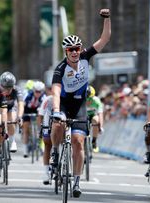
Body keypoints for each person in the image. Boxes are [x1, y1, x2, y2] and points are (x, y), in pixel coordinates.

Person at [50, 8, 111, 198]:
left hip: (80, 106)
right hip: (65, 105)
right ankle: (54, 150)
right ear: (65, 51)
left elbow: (104, 39)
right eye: (71, 50)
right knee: (57, 125)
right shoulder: (60, 68)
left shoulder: (85, 57)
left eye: (77, 49)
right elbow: (56, 91)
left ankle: (76, 181)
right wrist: (57, 110)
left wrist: (107, 19)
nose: (75, 52)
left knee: (78, 142)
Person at [0, 71, 24, 152]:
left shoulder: (17, 90)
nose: (7, 90)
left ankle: (12, 140)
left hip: (11, 107)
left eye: (9, 88)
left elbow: (20, 104)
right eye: (4, 88)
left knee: (12, 119)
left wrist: (19, 117)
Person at [22, 81, 46, 158]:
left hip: (38, 110)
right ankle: (25, 149)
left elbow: (45, 109)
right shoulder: (28, 95)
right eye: (36, 91)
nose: (38, 93)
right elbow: (22, 105)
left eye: (40, 92)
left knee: (41, 121)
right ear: (33, 90)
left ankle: (40, 135)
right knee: (25, 128)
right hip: (27, 110)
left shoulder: (43, 97)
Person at [38, 90, 54, 185]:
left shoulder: (66, 97)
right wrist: (41, 128)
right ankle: (46, 172)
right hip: (48, 120)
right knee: (47, 144)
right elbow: (41, 115)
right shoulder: (48, 100)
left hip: (62, 121)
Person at [86, 85, 104, 152]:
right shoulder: (81, 100)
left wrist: (101, 126)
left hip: (92, 115)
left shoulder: (96, 100)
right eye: (87, 99)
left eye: (91, 98)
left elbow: (100, 114)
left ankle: (94, 141)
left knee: (96, 119)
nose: (89, 101)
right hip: (83, 116)